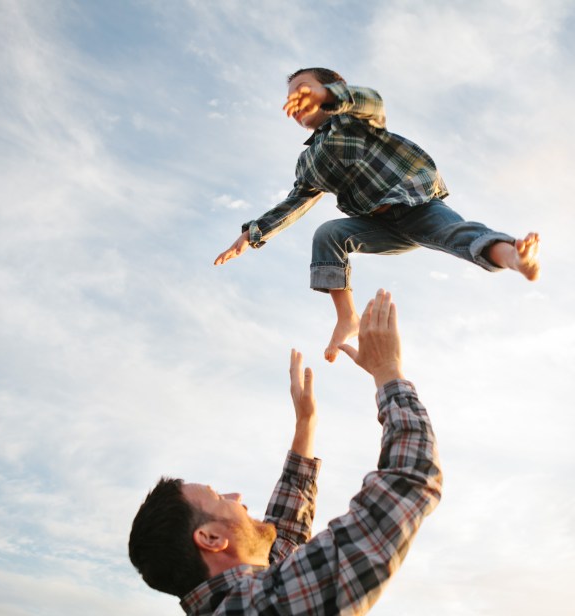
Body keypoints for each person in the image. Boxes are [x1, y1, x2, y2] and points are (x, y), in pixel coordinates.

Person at [128, 289, 442, 615]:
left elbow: (283, 540)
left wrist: (305, 425)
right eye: (219, 498)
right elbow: (407, 481)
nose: (236, 497)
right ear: (210, 539)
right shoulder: (260, 609)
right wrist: (387, 370)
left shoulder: (241, 604)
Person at [214, 67, 541, 362]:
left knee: (454, 233)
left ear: (332, 89)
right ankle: (347, 317)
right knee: (328, 234)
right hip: (377, 225)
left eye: (303, 90)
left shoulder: (353, 118)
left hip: (415, 204)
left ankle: (514, 257)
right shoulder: (308, 161)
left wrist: (327, 96)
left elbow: (371, 101)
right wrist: (252, 234)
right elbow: (295, 202)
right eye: (291, 98)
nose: (296, 101)